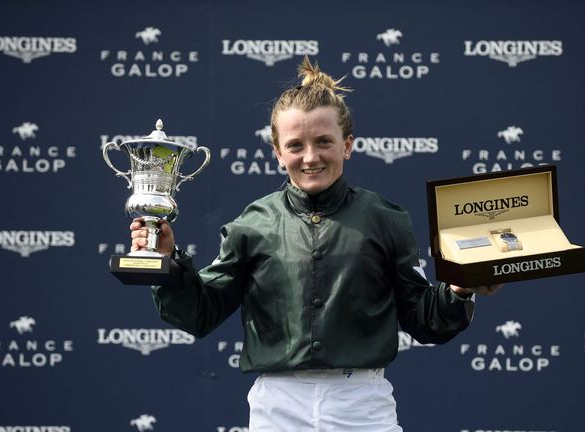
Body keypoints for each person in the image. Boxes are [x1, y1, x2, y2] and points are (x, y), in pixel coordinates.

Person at [130, 57, 502, 431]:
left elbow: (425, 320)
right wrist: (168, 265)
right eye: (295, 146)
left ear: (348, 145)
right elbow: (201, 312)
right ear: (278, 154)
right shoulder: (252, 223)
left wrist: (459, 288)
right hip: (277, 406)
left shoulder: (385, 218)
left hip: (363, 405)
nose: (311, 157)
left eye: (324, 141)